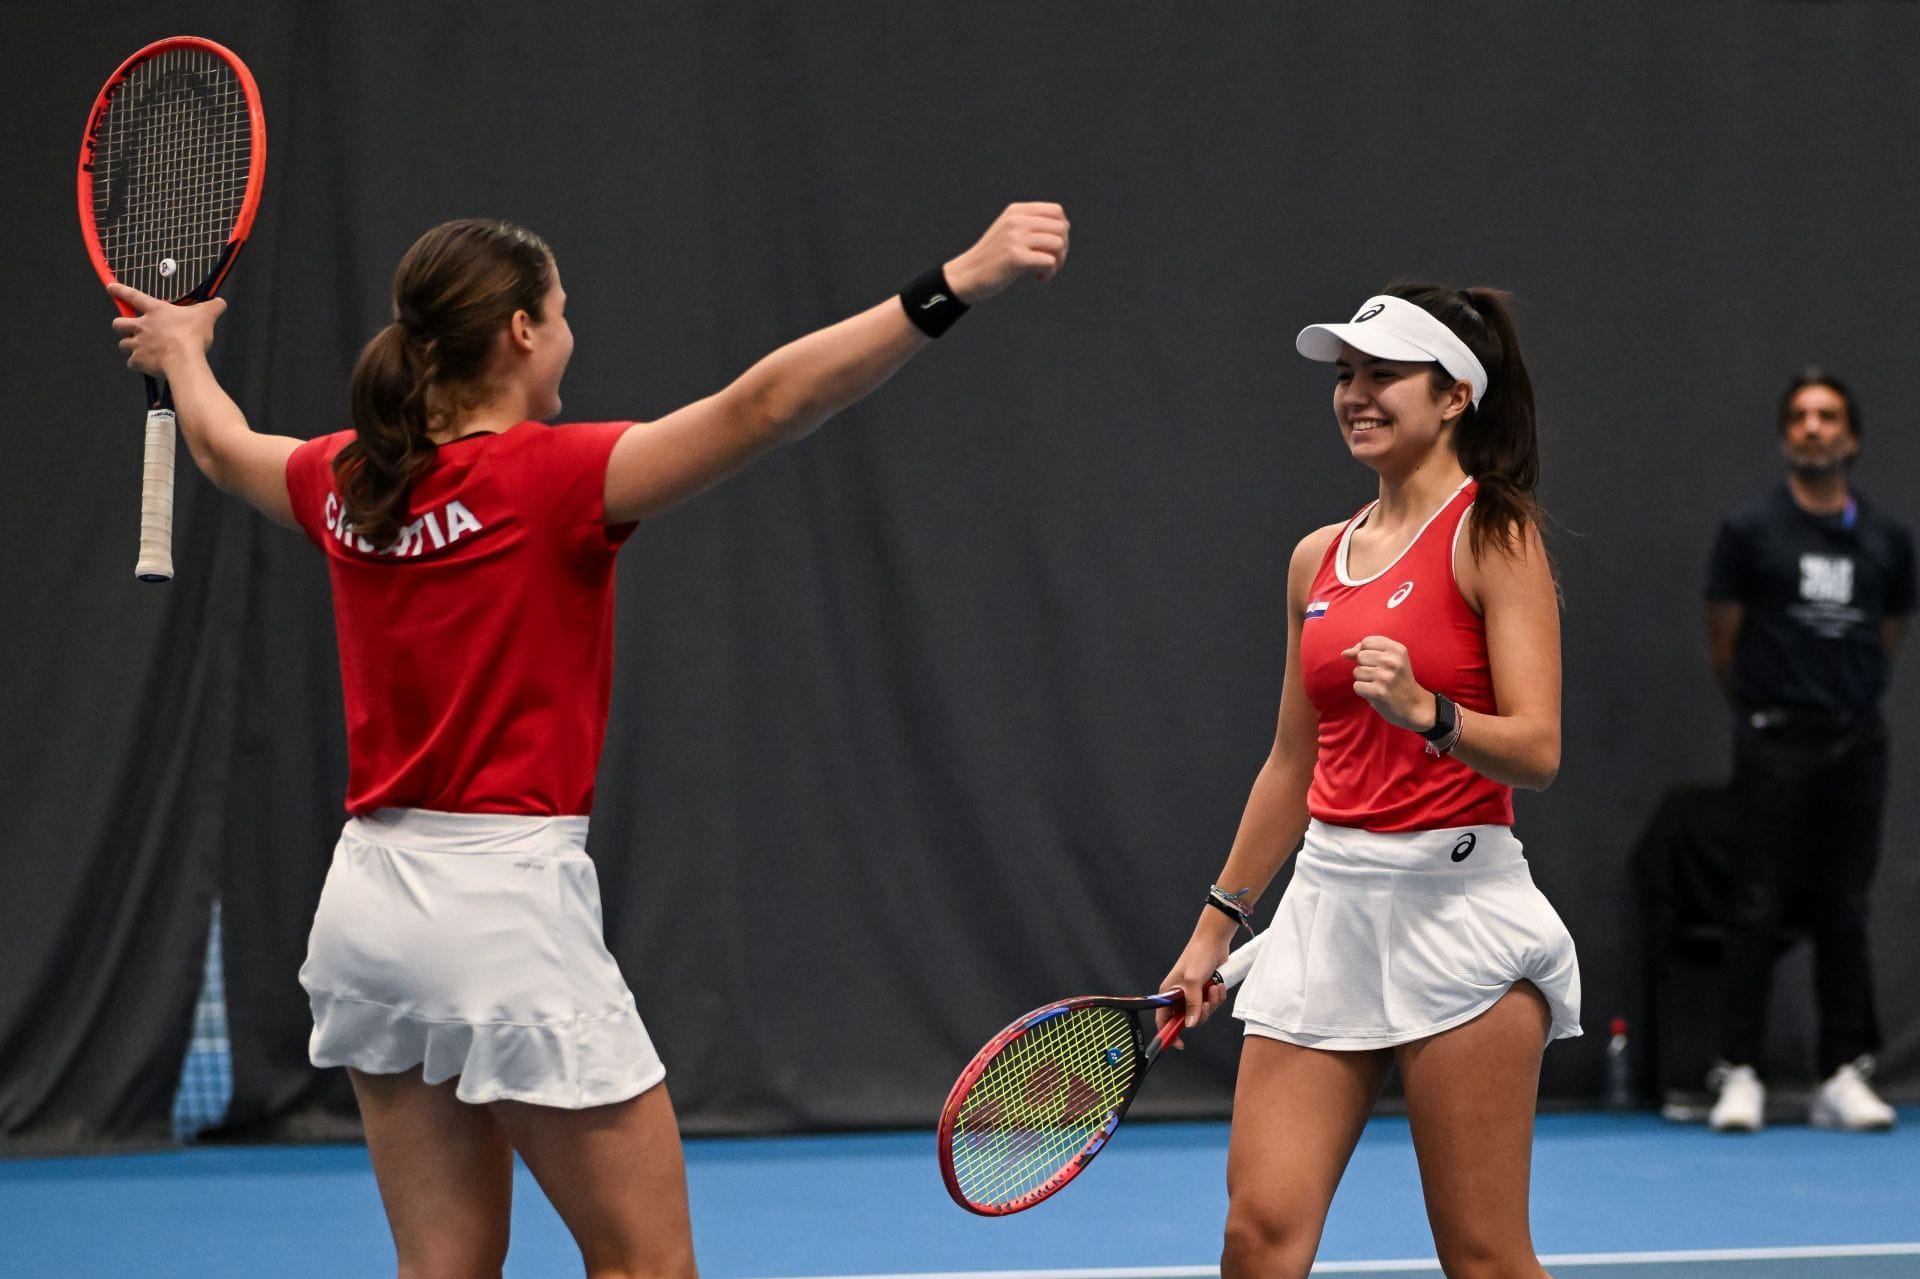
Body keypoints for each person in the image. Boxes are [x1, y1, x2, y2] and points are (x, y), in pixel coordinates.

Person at [108, 202, 1068, 1278]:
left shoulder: (345, 483)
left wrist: (182, 352)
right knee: (647, 1264)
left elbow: (221, 445)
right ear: (522, 331)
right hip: (504, 913)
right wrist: (954, 282)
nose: (571, 333)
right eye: (563, 313)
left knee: (443, 1268)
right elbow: (770, 405)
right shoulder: (553, 478)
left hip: (368, 917)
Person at [1160, 286, 1581, 1278]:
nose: (1355, 393)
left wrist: (1431, 711)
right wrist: (1214, 930)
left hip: (1461, 913)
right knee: (1258, 1235)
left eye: (1384, 373)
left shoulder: (1496, 534)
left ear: (1454, 395)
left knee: (1484, 1256)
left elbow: (1538, 749)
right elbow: (1292, 763)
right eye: (1346, 374)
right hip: (1327, 910)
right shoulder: (1317, 558)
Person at [1702, 369, 1914, 1134]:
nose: (1813, 427)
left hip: (1856, 746)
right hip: (1773, 744)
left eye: (1827, 416)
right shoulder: (1750, 531)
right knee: (1756, 903)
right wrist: (1770, 711)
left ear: (1851, 436)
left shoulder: (1888, 540)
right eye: (1799, 416)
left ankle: (1841, 1071)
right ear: (1786, 435)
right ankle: (1740, 1069)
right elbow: (1724, 642)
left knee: (1845, 907)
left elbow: (1886, 636)